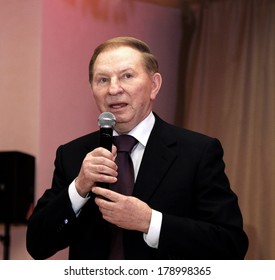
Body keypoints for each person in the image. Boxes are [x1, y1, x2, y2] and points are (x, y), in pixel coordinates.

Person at [26, 36, 248, 260]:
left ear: (154, 85)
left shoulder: (197, 152)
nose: (113, 89)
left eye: (127, 76)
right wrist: (79, 188)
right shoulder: (73, 155)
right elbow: (37, 245)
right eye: (102, 80)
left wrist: (150, 222)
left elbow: (230, 245)